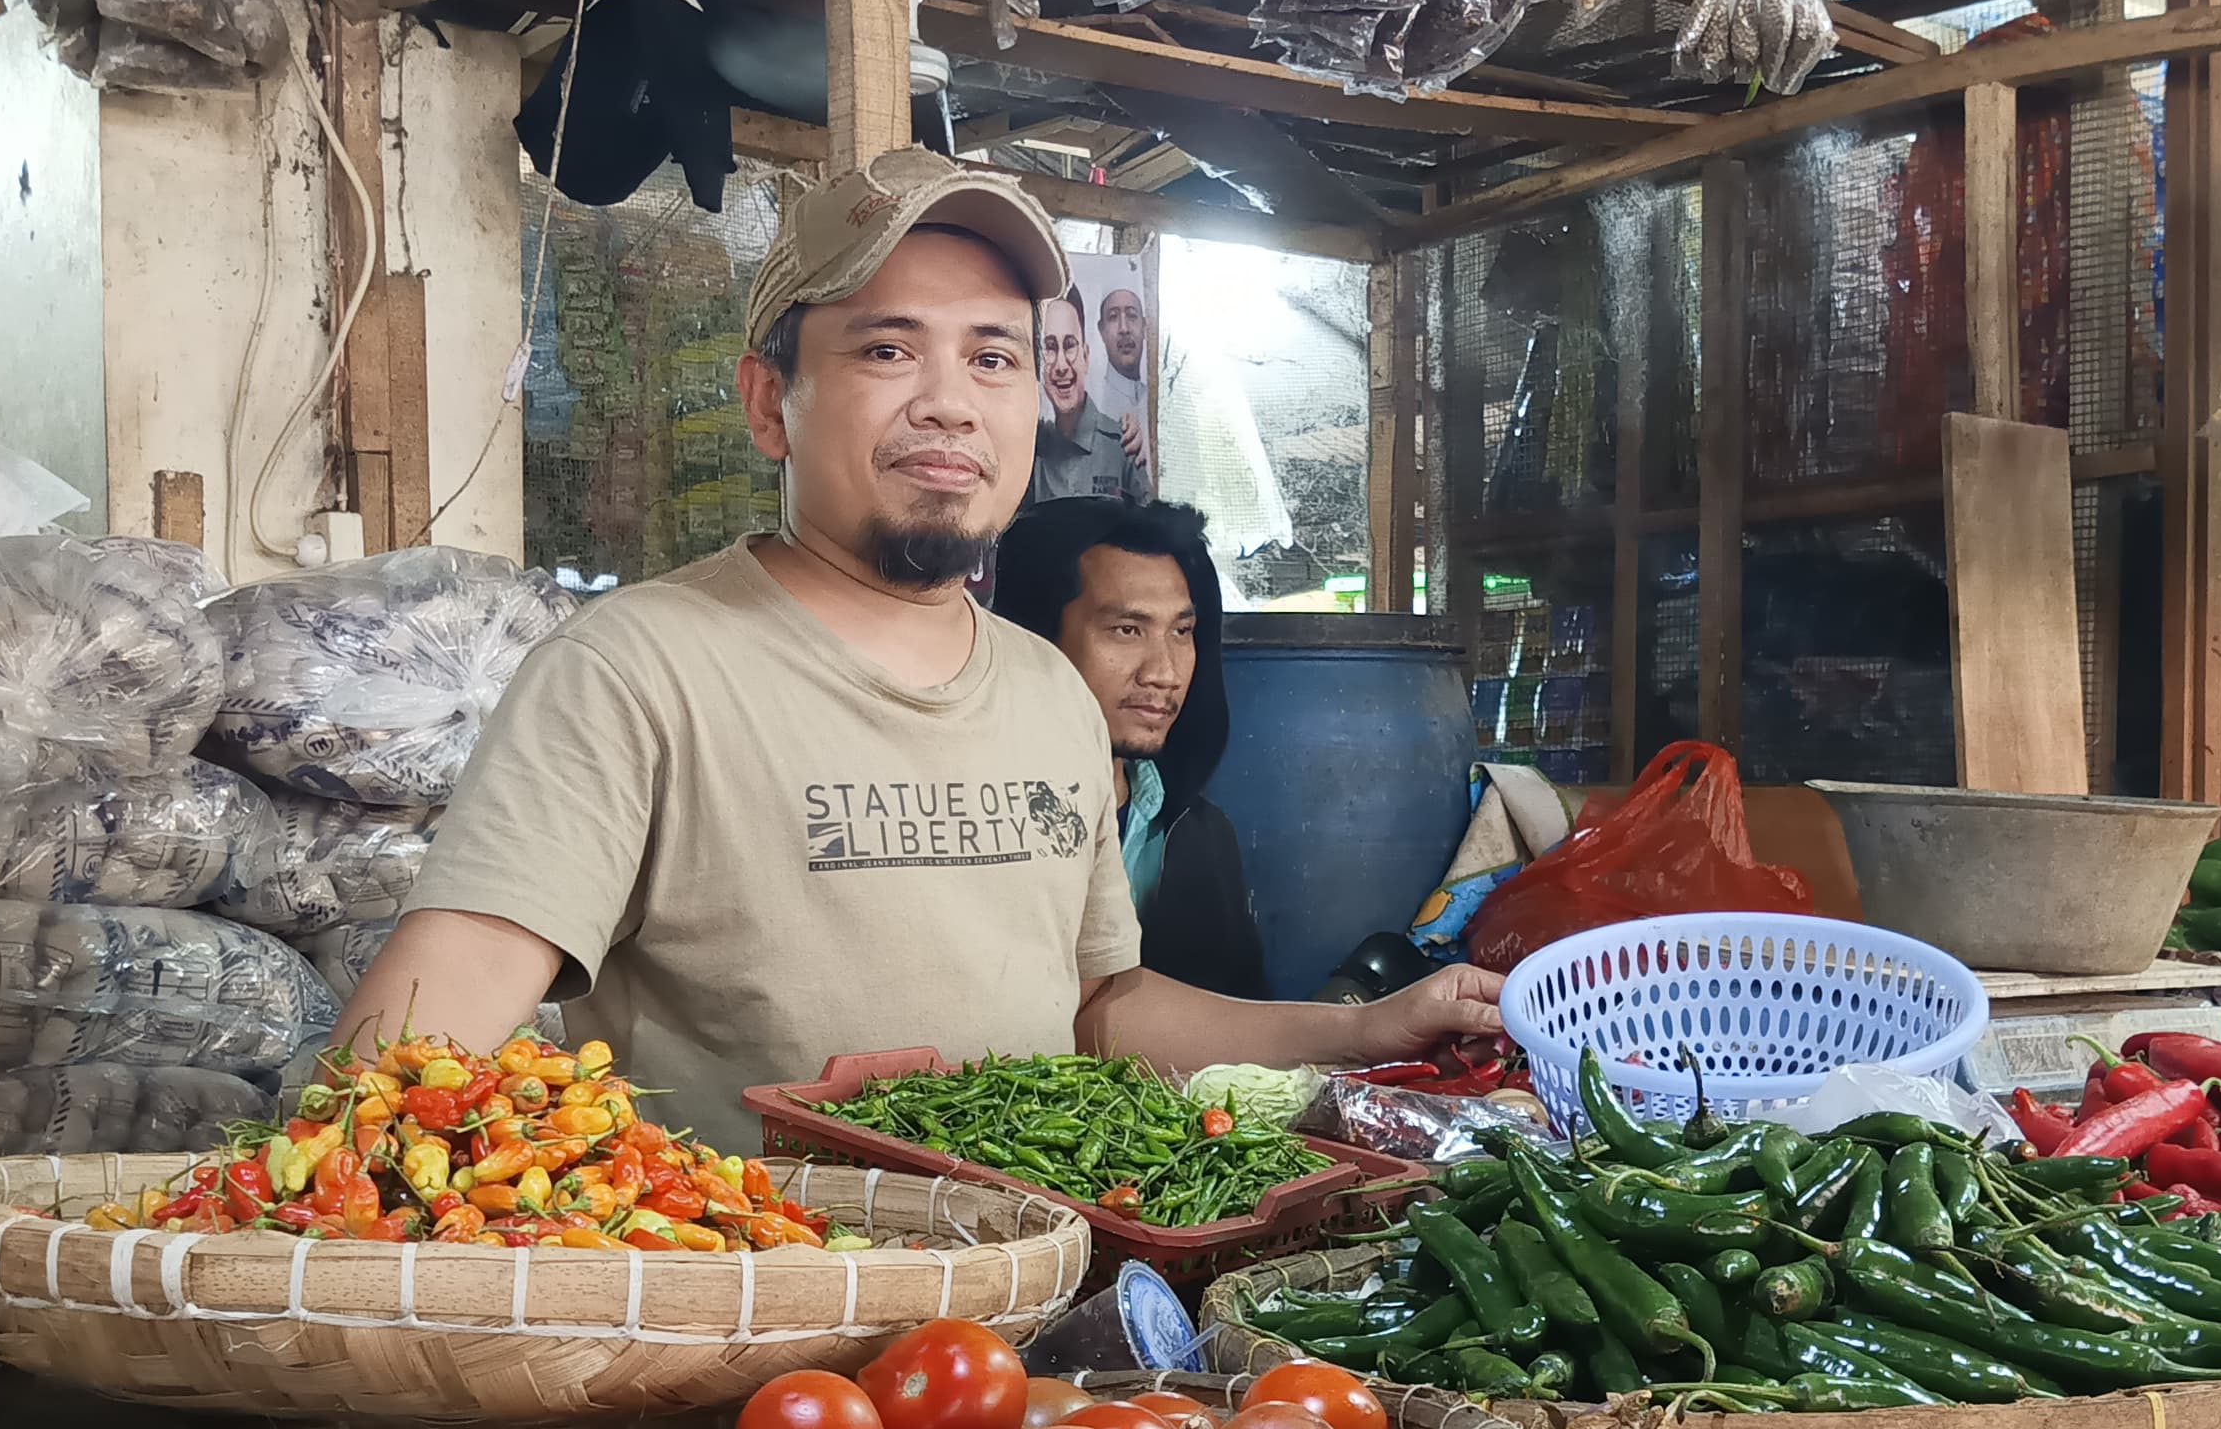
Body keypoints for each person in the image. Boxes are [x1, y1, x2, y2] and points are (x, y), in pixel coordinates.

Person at [340, 148, 1495, 1145]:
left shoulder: (1047, 690)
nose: (951, 402)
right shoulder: (636, 673)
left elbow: (1104, 1009)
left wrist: (1365, 1030)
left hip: (1023, 1328)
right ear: (765, 402)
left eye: (992, 357)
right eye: (889, 352)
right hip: (758, 1342)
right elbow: (423, 1035)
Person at [993, 496, 1263, 996]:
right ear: (1032, 636)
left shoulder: (1198, 835)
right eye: (1127, 630)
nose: (1163, 672)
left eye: (1182, 632)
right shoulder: (978, 825)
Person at [1025, 290, 1137, 505]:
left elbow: (1148, 530)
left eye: (1069, 346)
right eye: (1049, 348)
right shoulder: (1029, 448)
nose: (1060, 366)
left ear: (1085, 356)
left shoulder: (1124, 444)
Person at [1091, 284, 1156, 487]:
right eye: (1113, 317)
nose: (1124, 328)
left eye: (1132, 315)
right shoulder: (1093, 407)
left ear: (1145, 327)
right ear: (1101, 330)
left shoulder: (1160, 404)